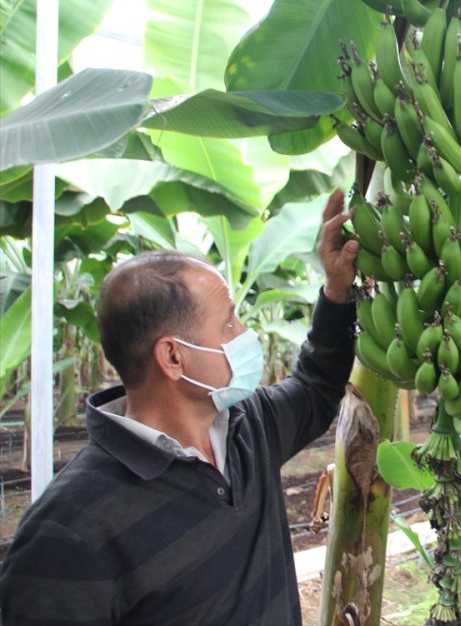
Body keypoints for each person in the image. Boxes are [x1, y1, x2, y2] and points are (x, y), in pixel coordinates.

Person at [0, 190, 359, 626]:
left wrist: (336, 293)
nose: (246, 333)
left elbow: (315, 387)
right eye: (229, 321)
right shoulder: (68, 533)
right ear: (173, 357)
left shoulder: (247, 426)